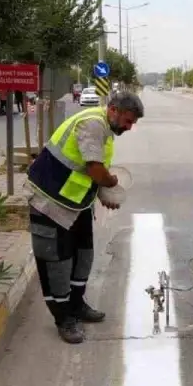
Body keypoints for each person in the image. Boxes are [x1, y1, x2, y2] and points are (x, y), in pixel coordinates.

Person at [25, 90, 144, 344]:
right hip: (50, 201)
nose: (129, 126)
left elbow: (88, 170)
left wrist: (101, 193)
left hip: (75, 203)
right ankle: (63, 318)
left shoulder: (107, 130)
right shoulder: (93, 124)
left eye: (132, 122)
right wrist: (110, 183)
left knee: (83, 256)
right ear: (113, 110)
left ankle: (77, 305)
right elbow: (95, 168)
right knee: (57, 263)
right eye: (128, 120)